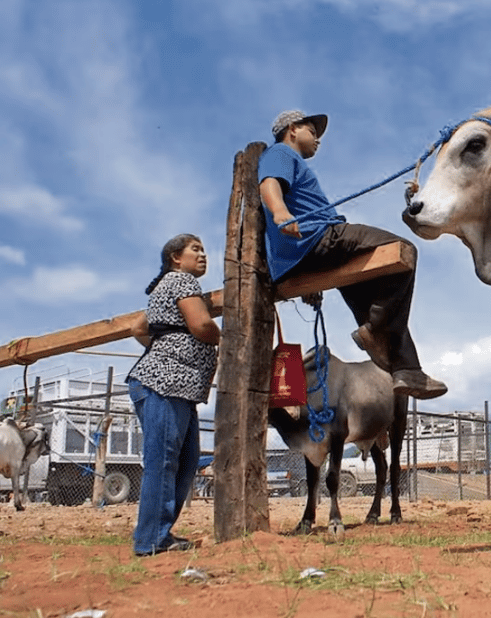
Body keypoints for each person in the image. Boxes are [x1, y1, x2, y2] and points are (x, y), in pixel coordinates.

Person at [258, 110, 446, 400]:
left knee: (371, 295)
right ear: (292, 129)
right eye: (312, 130)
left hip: (305, 253)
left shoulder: (288, 157)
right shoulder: (281, 153)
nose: (318, 139)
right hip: (317, 237)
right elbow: (269, 184)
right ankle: (376, 329)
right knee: (401, 251)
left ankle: (407, 369)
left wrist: (312, 280)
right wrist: (281, 211)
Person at [127, 234, 219, 556]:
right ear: (175, 258)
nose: (203, 254)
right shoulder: (181, 281)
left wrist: (164, 347)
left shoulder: (164, 288)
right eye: (196, 249)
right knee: (165, 462)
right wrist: (226, 336)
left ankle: (158, 534)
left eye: (204, 249)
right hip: (164, 384)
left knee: (185, 460)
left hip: (176, 386)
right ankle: (150, 540)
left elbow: (139, 328)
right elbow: (202, 325)